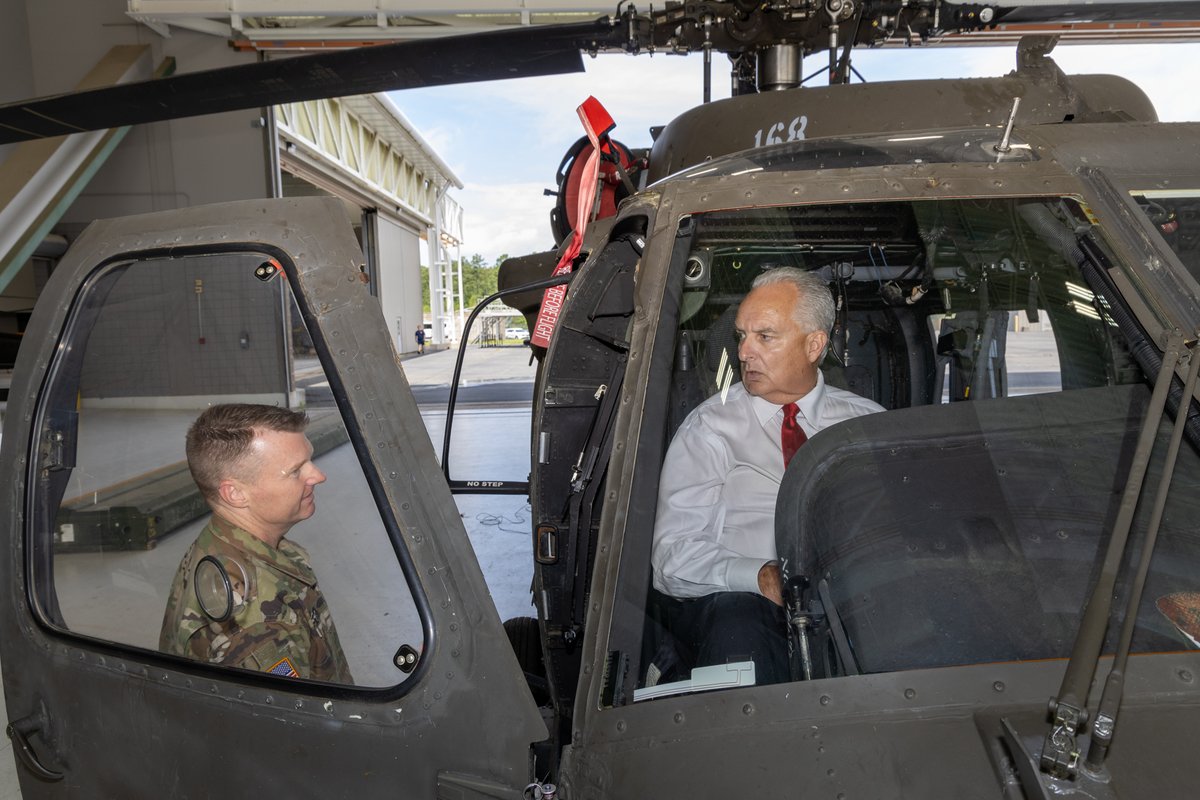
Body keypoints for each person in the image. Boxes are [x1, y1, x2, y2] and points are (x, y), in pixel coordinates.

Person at [650, 267, 884, 685]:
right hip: (747, 610)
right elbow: (672, 557)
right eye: (742, 336)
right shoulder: (709, 428)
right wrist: (758, 575)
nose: (744, 352)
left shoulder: (867, 424)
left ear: (814, 345)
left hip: (858, 601)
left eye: (765, 336)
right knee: (736, 627)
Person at [159, 404, 354, 683]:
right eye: (296, 470)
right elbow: (295, 722)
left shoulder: (221, 544)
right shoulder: (259, 623)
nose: (318, 476)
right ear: (235, 493)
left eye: (309, 460)